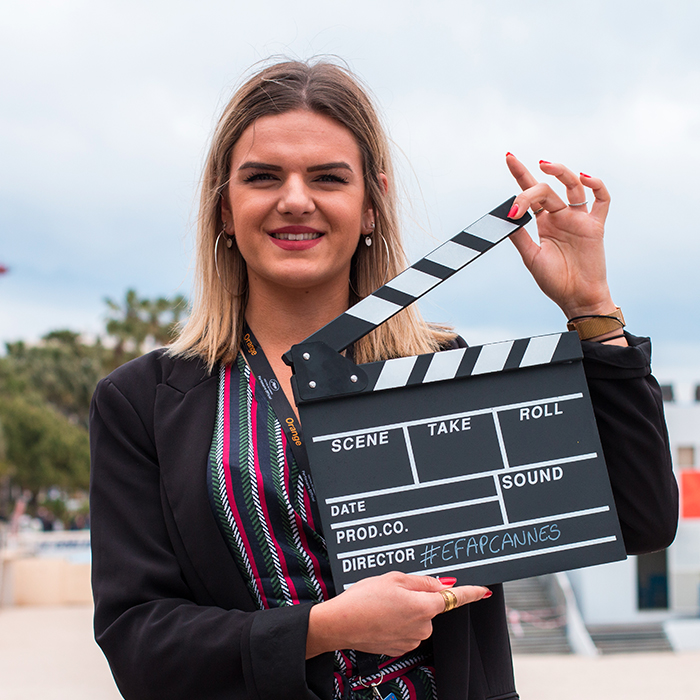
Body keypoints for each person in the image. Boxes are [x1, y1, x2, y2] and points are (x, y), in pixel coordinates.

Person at [89, 59, 678, 700]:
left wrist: (592, 311)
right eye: (262, 177)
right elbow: (139, 642)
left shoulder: (447, 373)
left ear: (372, 206)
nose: (294, 199)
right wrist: (323, 628)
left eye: (327, 178)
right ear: (224, 208)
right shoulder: (142, 402)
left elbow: (641, 518)